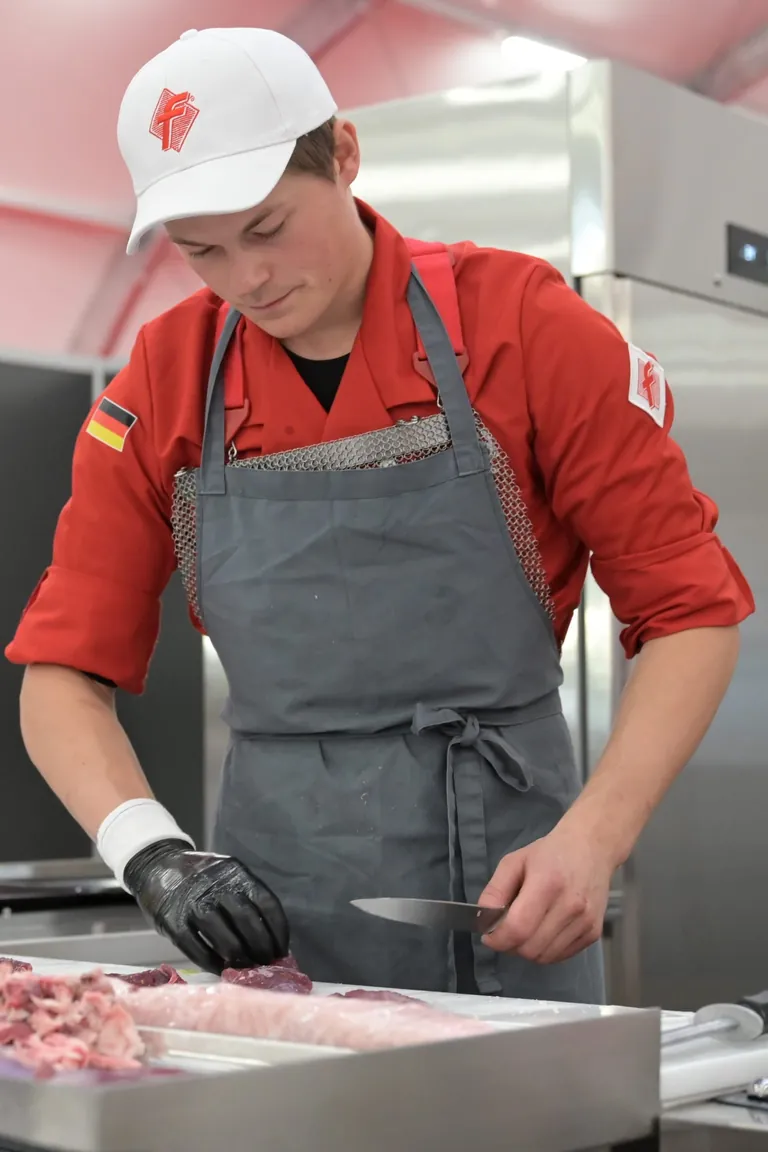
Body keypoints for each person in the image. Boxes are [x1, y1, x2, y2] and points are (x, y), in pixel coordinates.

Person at [7, 26, 753, 1002]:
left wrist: (595, 839)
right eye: (203, 251)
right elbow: (63, 675)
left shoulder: (521, 325)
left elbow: (691, 612)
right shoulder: (165, 378)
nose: (247, 279)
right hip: (276, 907)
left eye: (268, 229)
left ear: (345, 157)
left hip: (514, 892)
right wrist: (153, 856)